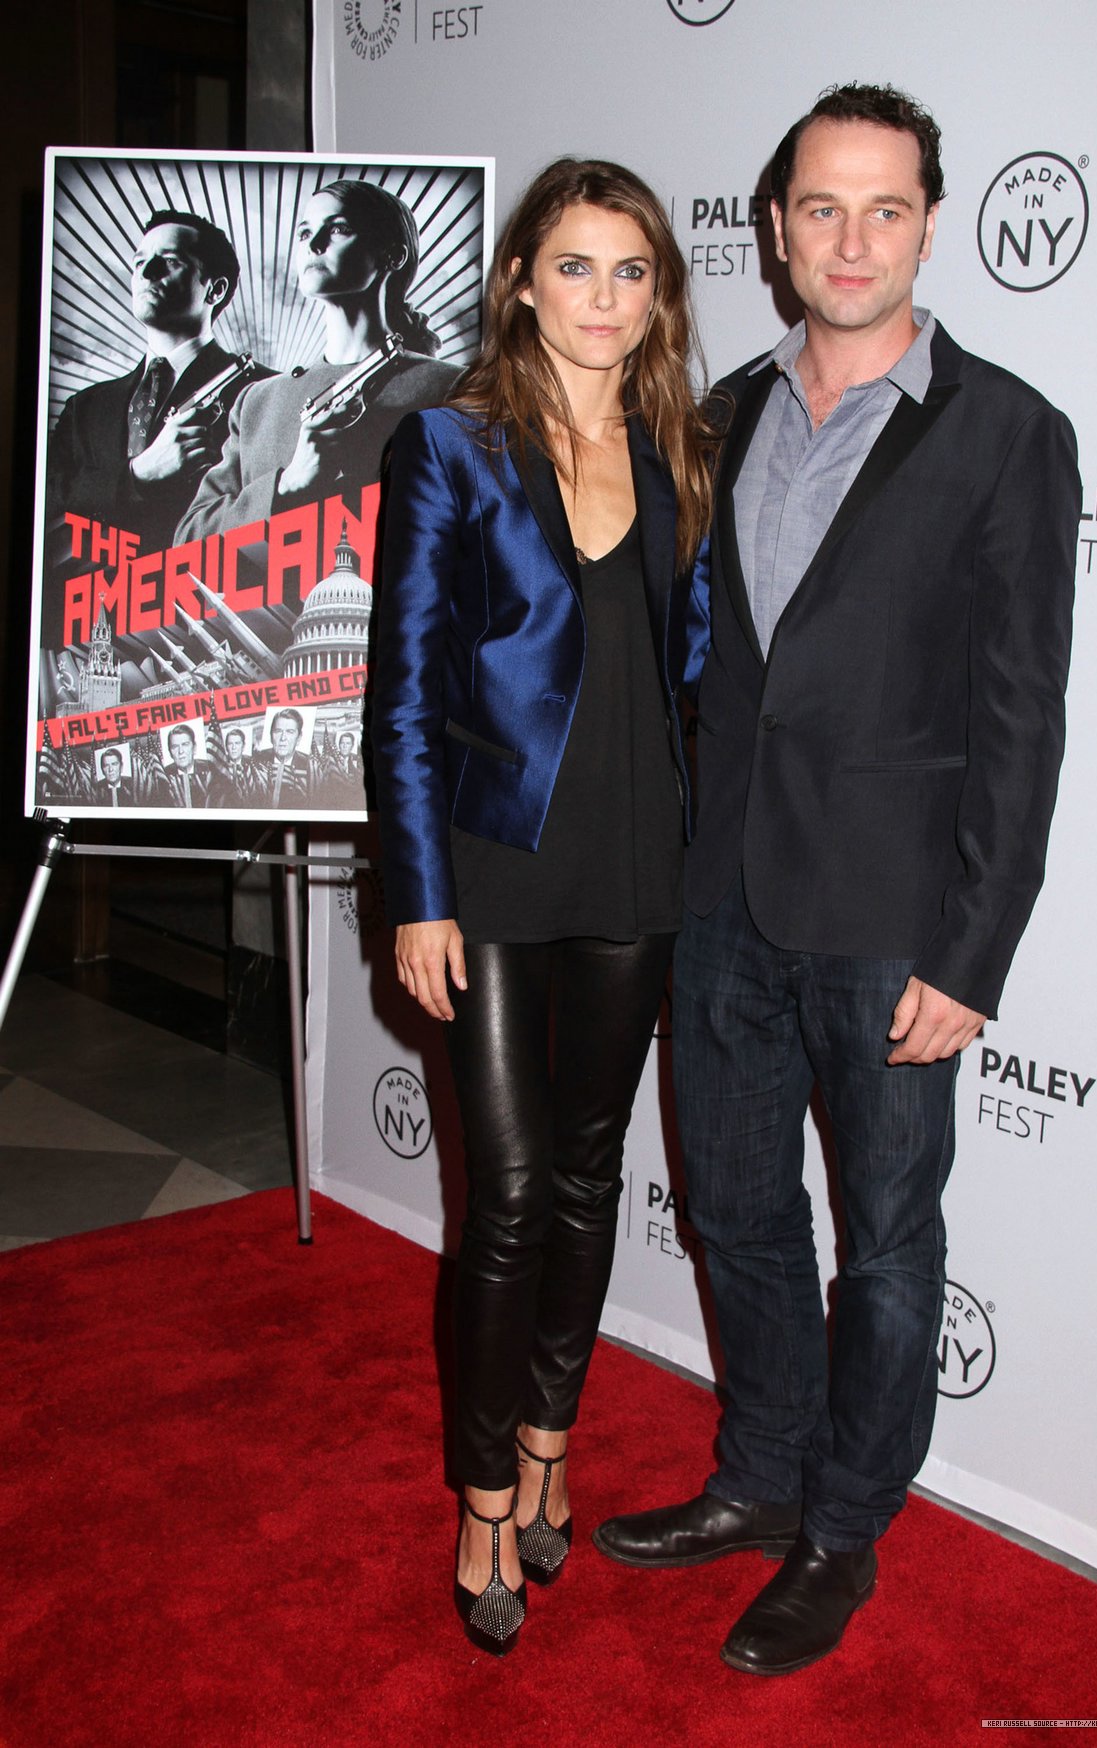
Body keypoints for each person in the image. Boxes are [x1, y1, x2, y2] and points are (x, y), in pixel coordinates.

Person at [593, 85, 1080, 1677]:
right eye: (820, 207)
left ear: (931, 220)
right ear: (777, 225)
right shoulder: (717, 412)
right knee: (736, 1217)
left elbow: (1022, 717)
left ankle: (845, 1528)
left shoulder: (1008, 432)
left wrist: (975, 950)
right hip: (720, 897)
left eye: (884, 208)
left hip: (890, 923)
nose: (850, 238)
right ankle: (757, 1477)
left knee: (884, 1243)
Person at [372, 158, 714, 1657]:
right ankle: (481, 1495)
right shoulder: (448, 444)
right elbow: (402, 687)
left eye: (630, 272)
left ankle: (555, 1439)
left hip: (638, 860)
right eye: (575, 268)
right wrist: (420, 895)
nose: (602, 299)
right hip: (498, 863)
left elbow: (691, 672)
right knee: (505, 1193)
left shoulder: (678, 442)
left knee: (590, 1172)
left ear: (660, 295)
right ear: (522, 280)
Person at [178, 179, 458, 546]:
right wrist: (288, 484)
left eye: (338, 228)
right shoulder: (256, 403)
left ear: (393, 255)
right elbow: (188, 540)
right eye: (304, 232)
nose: (313, 244)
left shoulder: (454, 388)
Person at [46, 209, 266, 558]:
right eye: (140, 262)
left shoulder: (265, 391)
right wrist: (137, 475)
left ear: (216, 289)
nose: (147, 273)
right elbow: (48, 503)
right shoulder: (84, 408)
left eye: (170, 261)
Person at [253, 707, 310, 808]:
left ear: (299, 738)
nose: (283, 738)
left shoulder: (310, 767)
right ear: (271, 736)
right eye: (278, 731)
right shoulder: (255, 761)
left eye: (290, 732)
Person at [158, 723, 212, 809]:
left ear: (194, 748)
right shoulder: (163, 777)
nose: (180, 751)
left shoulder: (209, 769)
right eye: (175, 746)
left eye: (185, 744)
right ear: (170, 752)